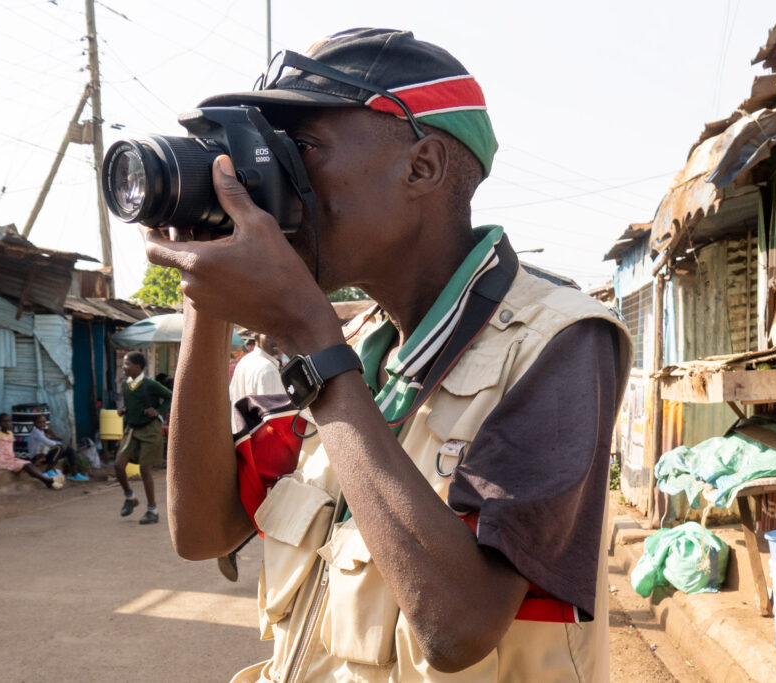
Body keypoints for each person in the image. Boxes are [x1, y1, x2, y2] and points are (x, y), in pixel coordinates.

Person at [146, 28, 632, 681]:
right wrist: (207, 295)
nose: (273, 184)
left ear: (422, 167)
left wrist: (313, 347)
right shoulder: (341, 350)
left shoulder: (562, 340)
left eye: (301, 149)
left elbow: (457, 628)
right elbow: (203, 531)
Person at [215, 333, 286, 581]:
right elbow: (277, 416)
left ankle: (233, 546)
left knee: (260, 505)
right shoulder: (266, 369)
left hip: (243, 440)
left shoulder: (247, 361)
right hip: (265, 446)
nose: (278, 336)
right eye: (270, 330)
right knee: (279, 510)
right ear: (256, 333)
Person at [115, 351, 172, 524]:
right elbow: (132, 404)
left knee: (144, 470)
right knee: (118, 465)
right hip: (132, 429)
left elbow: (171, 396)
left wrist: (158, 411)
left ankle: (152, 510)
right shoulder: (126, 385)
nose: (124, 367)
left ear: (138, 367)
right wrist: (124, 410)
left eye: (127, 364)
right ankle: (130, 497)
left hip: (149, 430)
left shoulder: (151, 384)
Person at [0, 413, 63, 490]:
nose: (7, 423)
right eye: (4, 421)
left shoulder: (10, 433)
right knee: (26, 465)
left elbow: (9, 449)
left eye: (9, 421)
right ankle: (47, 480)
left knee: (28, 463)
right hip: (0, 461)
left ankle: (46, 480)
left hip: (9, 459)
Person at [27, 415, 86, 482]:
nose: (42, 424)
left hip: (43, 455)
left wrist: (57, 439)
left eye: (44, 422)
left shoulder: (41, 431)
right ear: (34, 424)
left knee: (70, 450)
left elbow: (48, 441)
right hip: (36, 458)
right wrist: (60, 444)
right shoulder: (36, 432)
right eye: (39, 422)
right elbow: (47, 442)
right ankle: (47, 471)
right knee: (59, 447)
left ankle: (75, 475)